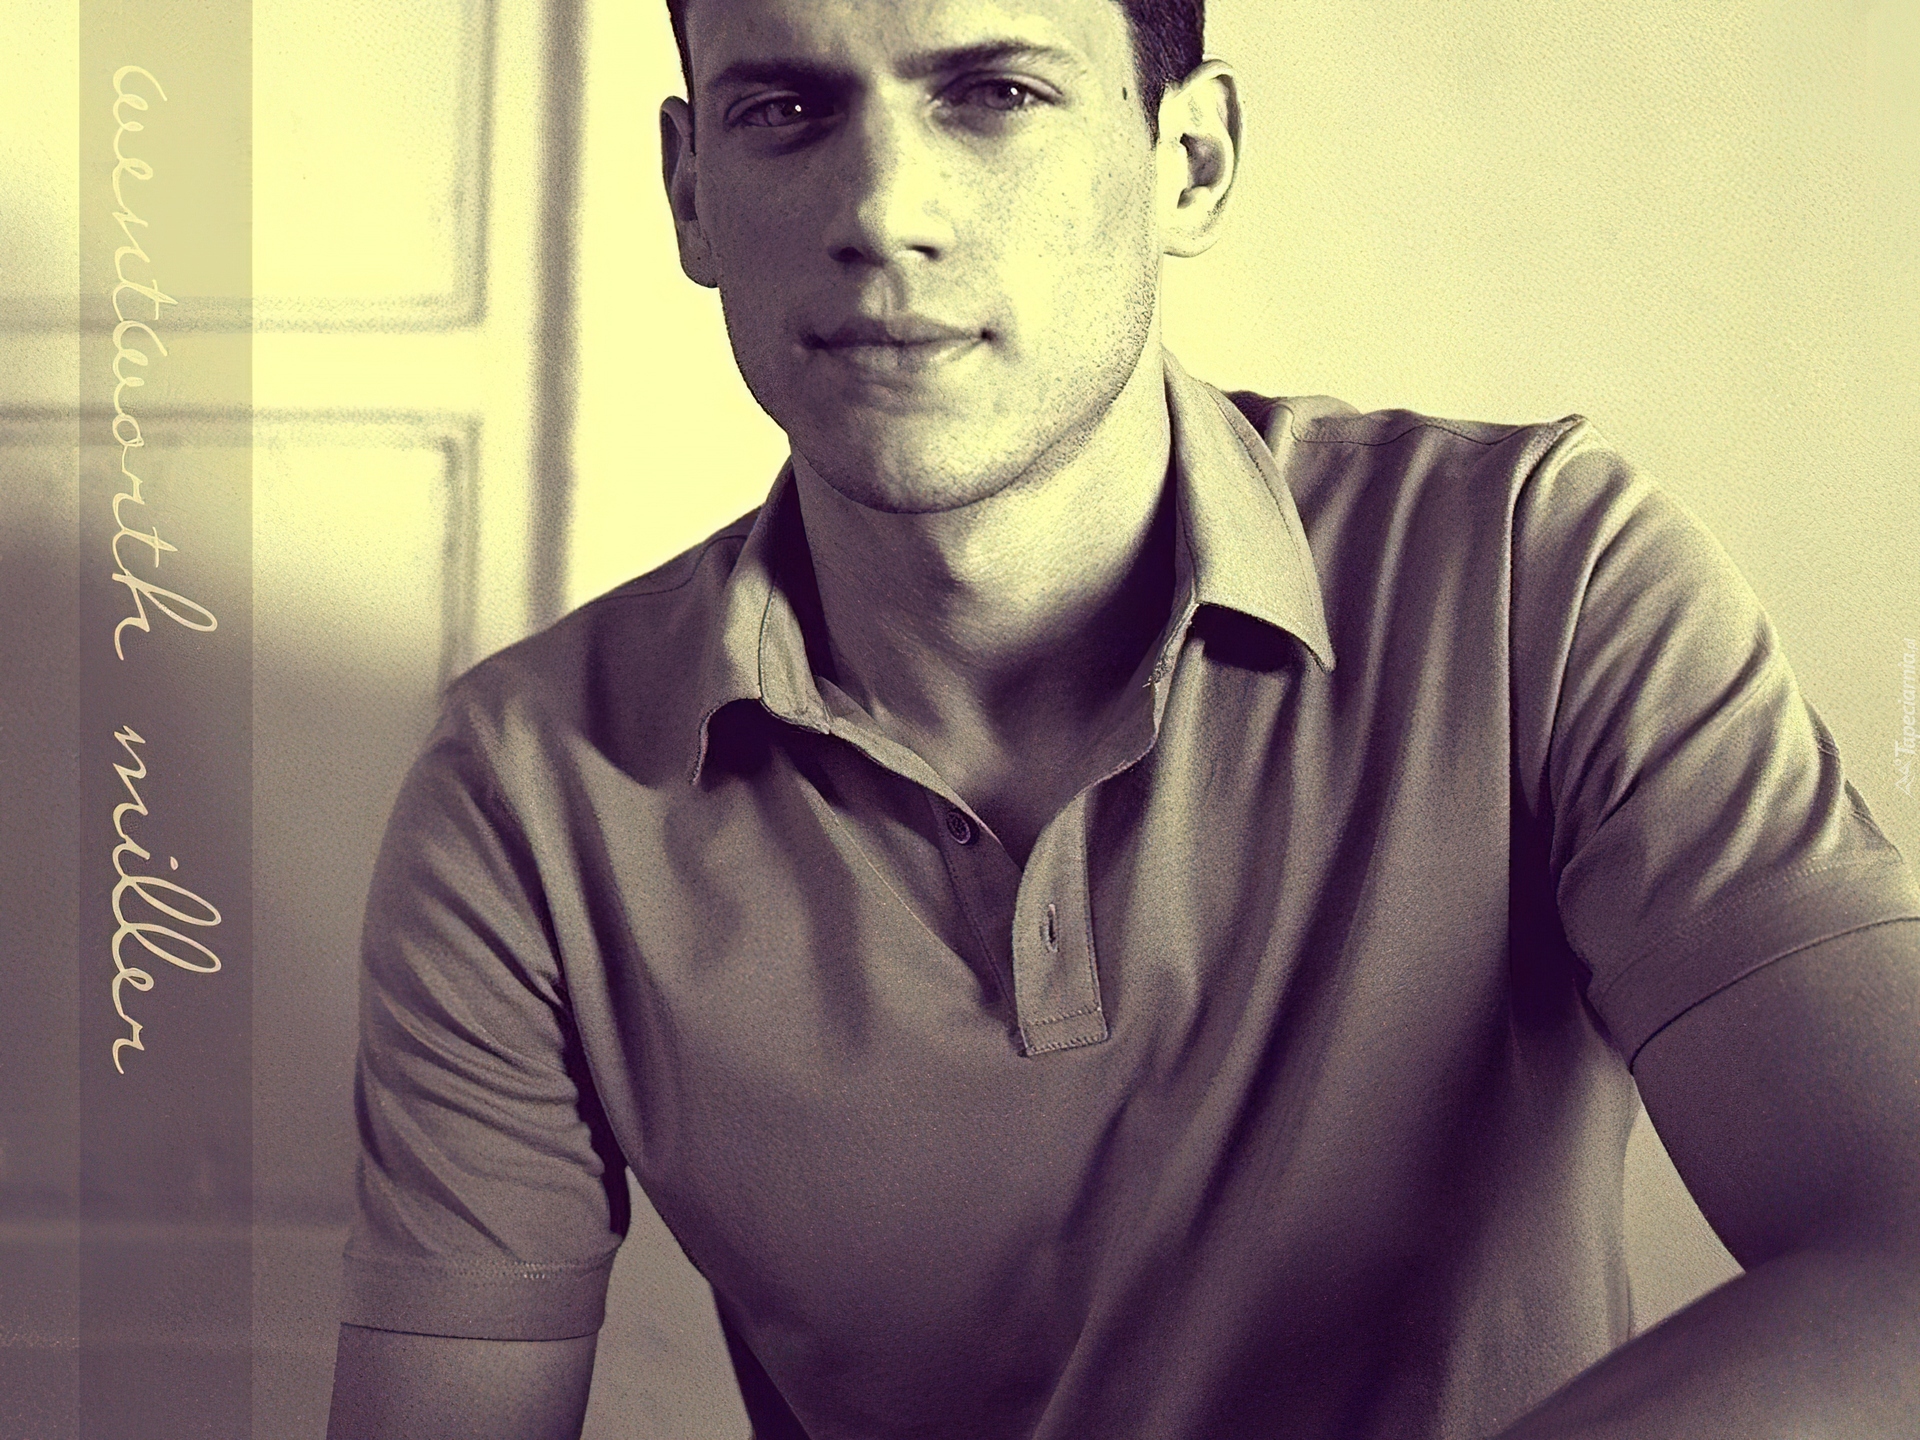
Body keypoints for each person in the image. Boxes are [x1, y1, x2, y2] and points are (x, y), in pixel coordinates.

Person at [324, 0, 1920, 1435]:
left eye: (995, 93)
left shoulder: (1534, 577)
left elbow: (1904, 1254)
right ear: (691, 191)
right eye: (787, 110)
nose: (881, 213)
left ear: (1190, 163)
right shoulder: (522, 795)